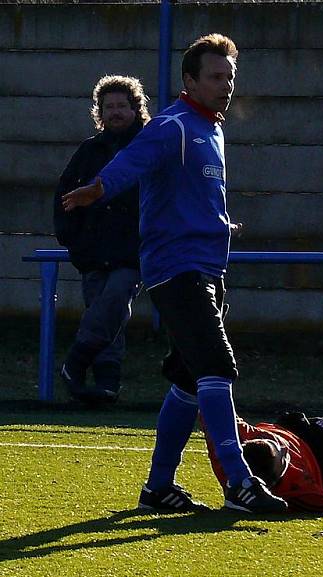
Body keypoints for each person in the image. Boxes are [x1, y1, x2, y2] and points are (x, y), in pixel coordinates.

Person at [62, 33, 286, 515]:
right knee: (218, 367)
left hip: (206, 269)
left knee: (189, 381)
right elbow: (131, 163)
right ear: (190, 80)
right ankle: (238, 483)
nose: (225, 85)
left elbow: (191, 197)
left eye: (230, 77)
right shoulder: (174, 125)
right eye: (215, 76)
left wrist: (221, 224)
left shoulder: (212, 129)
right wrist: (98, 189)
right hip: (176, 271)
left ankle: (158, 488)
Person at [53, 75, 150, 404]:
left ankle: (76, 360)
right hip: (93, 251)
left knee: (115, 300)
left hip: (133, 251)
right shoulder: (89, 150)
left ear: (136, 108)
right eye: (109, 107)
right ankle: (106, 383)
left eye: (122, 105)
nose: (116, 112)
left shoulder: (147, 148)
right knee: (107, 313)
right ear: (100, 112)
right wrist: (71, 238)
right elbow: (64, 194)